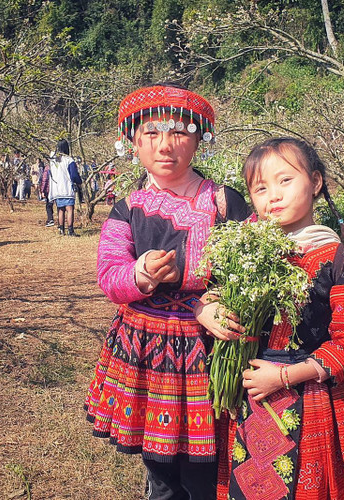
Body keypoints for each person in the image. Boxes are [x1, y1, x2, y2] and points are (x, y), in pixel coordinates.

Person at [195, 137, 344, 500]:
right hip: (250, 394)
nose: (273, 195)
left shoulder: (337, 258)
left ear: (315, 182)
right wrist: (207, 308)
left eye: (285, 180)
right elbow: (216, 292)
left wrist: (283, 377)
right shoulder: (247, 251)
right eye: (260, 188)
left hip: (310, 396)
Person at [84, 84, 251, 500]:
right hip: (144, 349)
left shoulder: (224, 202)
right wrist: (140, 273)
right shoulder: (127, 208)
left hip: (206, 348)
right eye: (151, 134)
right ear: (134, 144)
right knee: (160, 471)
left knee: (204, 467)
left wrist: (210, 302)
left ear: (198, 140)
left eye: (178, 132)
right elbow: (109, 275)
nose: (165, 145)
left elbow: (249, 270)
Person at [48, 140, 83, 236]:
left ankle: (61, 229)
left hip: (57, 189)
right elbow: (74, 175)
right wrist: (79, 182)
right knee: (70, 209)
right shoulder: (69, 160)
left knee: (60, 209)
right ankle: (70, 231)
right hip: (67, 188)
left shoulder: (53, 160)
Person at [39, 154, 54, 226]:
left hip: (49, 190)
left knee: (49, 205)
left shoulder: (47, 168)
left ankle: (50, 219)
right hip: (57, 189)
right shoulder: (57, 167)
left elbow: (44, 180)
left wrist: (43, 191)